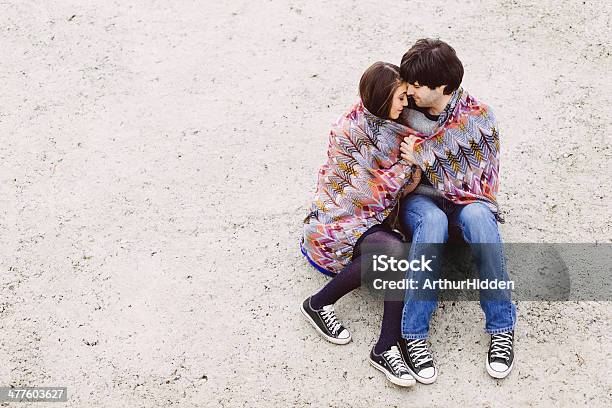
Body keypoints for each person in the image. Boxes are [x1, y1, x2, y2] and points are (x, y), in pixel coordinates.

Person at [396, 39, 516, 383]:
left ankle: (502, 327)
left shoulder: (478, 117)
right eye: (408, 81)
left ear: (443, 87)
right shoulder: (403, 109)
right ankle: (414, 335)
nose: (410, 90)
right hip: (421, 200)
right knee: (432, 222)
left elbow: (479, 176)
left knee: (480, 218)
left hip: (468, 201)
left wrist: (426, 154)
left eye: (417, 85)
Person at [300, 61, 421, 387]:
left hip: (364, 223)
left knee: (396, 251)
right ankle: (319, 305)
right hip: (330, 223)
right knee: (394, 253)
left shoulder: (393, 132)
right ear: (383, 99)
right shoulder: (349, 129)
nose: (405, 104)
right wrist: (412, 164)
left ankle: (385, 346)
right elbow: (373, 193)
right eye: (400, 98)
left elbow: (387, 195)